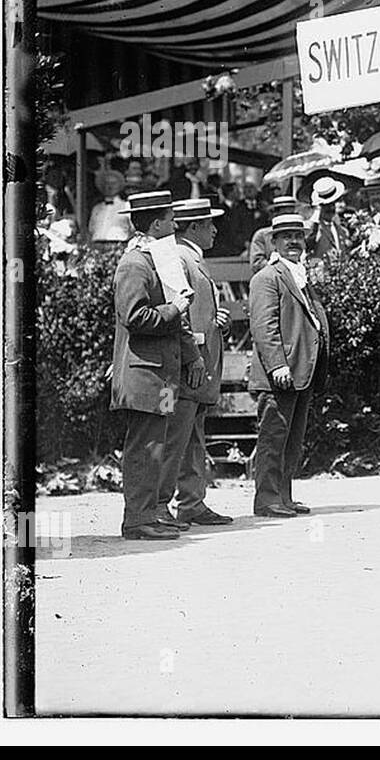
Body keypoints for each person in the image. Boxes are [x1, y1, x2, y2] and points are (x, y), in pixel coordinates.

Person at [109, 191, 204, 540]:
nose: (175, 225)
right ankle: (137, 520)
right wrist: (175, 308)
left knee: (158, 444)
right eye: (170, 218)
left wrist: (189, 351)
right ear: (156, 223)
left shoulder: (156, 260)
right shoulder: (134, 264)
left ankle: (150, 513)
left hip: (162, 379)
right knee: (144, 447)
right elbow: (135, 317)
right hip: (144, 376)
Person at [248, 213, 331, 517]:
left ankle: (283, 495)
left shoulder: (300, 275)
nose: (294, 241)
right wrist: (276, 365)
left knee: (291, 440)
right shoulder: (267, 277)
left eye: (298, 235)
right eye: (286, 236)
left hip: (301, 371)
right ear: (274, 242)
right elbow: (263, 325)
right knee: (273, 438)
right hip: (281, 373)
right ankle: (267, 499)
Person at [162, 197, 234, 526]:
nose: (215, 230)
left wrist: (217, 320)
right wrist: (193, 356)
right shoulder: (180, 257)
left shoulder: (193, 258)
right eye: (209, 224)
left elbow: (197, 311)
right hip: (190, 362)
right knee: (178, 435)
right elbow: (179, 314)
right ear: (194, 227)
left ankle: (191, 501)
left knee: (192, 435)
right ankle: (164, 506)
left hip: (199, 360)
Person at [248, 196, 301, 274]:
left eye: (292, 213)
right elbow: (257, 264)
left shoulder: (300, 235)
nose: (289, 218)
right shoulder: (262, 235)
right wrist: (283, 266)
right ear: (274, 214)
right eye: (284, 214)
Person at [88, 168, 133, 244]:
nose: (109, 186)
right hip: (97, 246)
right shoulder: (96, 208)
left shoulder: (126, 206)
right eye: (107, 183)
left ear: (119, 186)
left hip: (118, 245)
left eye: (113, 183)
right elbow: (91, 230)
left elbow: (133, 230)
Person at [307, 177, 348, 259]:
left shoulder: (339, 228)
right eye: (326, 206)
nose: (331, 208)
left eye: (332, 204)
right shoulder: (316, 228)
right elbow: (308, 244)